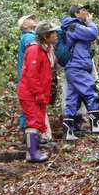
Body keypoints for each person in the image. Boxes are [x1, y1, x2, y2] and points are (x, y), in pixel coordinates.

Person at [60, 4, 99, 140]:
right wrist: (91, 23)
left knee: (72, 99)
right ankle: (96, 125)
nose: (86, 13)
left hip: (75, 67)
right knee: (92, 91)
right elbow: (92, 34)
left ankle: (68, 132)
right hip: (77, 67)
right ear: (76, 14)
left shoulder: (75, 26)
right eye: (83, 11)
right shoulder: (74, 26)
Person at [17, 21, 59, 163]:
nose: (56, 35)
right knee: (34, 121)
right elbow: (32, 74)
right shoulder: (34, 50)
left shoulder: (47, 49)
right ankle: (32, 153)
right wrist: (38, 93)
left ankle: (33, 151)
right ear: (46, 36)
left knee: (39, 121)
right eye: (53, 33)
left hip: (40, 92)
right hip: (30, 94)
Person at [17, 14, 37, 131]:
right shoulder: (29, 37)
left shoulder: (32, 36)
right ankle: (28, 130)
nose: (33, 20)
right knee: (29, 103)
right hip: (28, 76)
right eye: (29, 19)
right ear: (24, 25)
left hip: (26, 76)